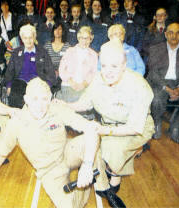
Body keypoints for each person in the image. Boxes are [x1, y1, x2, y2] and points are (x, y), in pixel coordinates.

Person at [0, 77, 125, 208]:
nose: (40, 105)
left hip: (66, 152)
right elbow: (2, 152)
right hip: (49, 171)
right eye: (34, 99)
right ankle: (88, 180)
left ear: (50, 98)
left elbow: (91, 129)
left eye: (44, 99)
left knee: (90, 143)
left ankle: (104, 187)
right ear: (26, 100)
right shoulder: (16, 122)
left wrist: (86, 164)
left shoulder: (56, 108)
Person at [60, 39, 154, 198]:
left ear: (124, 66)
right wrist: (65, 105)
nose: (108, 71)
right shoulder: (98, 79)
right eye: (104, 66)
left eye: (114, 66)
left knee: (111, 153)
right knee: (96, 151)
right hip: (108, 125)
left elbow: (135, 127)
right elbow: (84, 103)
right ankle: (115, 165)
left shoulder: (140, 86)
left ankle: (116, 171)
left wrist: (103, 130)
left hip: (136, 128)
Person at [4, 24, 56, 108]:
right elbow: (9, 72)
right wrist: (9, 85)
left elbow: (51, 73)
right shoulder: (16, 52)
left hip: (37, 83)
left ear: (34, 37)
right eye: (25, 38)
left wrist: (47, 85)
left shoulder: (42, 52)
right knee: (16, 89)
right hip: (20, 84)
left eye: (30, 37)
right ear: (22, 39)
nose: (28, 41)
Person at [57, 26, 98, 107]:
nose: (85, 41)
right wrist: (71, 81)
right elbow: (61, 69)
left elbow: (94, 73)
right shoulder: (69, 51)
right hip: (68, 85)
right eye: (83, 38)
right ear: (78, 38)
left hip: (85, 87)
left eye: (87, 38)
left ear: (91, 39)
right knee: (69, 108)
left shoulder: (94, 54)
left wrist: (84, 84)